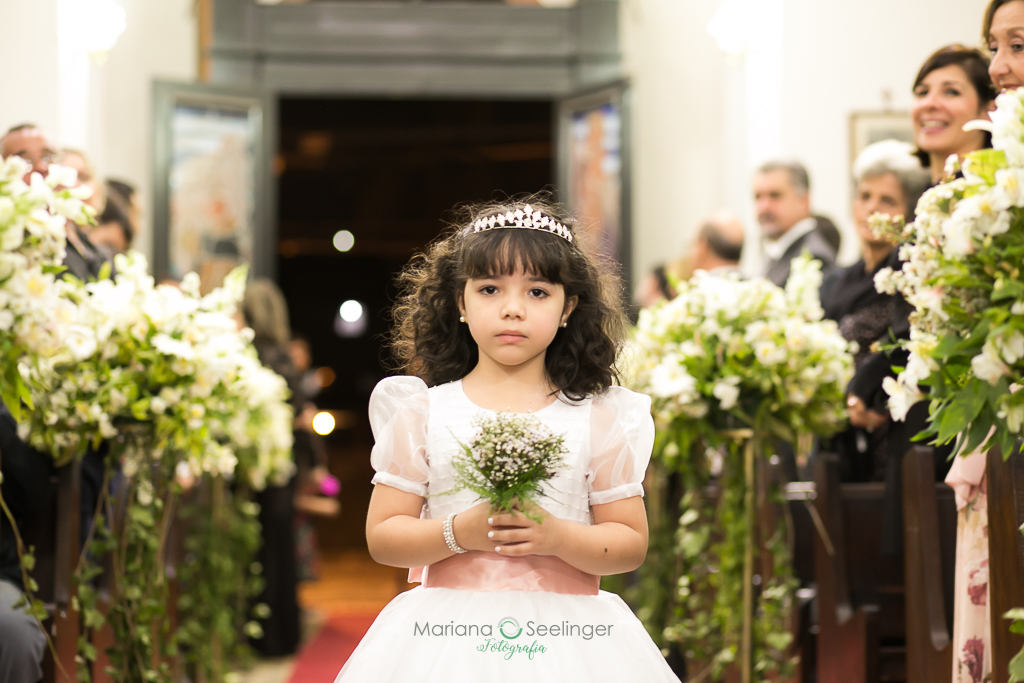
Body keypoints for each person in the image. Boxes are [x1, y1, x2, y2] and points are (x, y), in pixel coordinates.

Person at [334, 196, 679, 681]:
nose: (512, 309)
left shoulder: (599, 417)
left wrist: (557, 536)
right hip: (445, 640)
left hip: (571, 642)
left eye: (537, 292)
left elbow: (630, 542)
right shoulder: (423, 413)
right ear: (461, 302)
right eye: (490, 289)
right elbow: (384, 537)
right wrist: (459, 532)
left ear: (568, 307)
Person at [820, 140, 931, 482]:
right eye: (865, 196)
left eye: (887, 200)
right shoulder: (839, 280)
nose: (872, 208)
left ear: (909, 212)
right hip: (838, 438)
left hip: (889, 434)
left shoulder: (909, 276)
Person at [241, 278, 304, 657]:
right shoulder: (284, 358)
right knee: (281, 549)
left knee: (262, 553)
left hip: (259, 467)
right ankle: (285, 634)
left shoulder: (250, 358)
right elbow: (299, 413)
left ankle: (265, 638)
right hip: (282, 467)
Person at [910, 45, 997, 184]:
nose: (929, 103)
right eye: (922, 92)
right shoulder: (912, 191)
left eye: (951, 92)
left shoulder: (998, 191)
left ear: (989, 110)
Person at [753, 160, 836, 286]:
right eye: (758, 197)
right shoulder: (776, 253)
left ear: (804, 201)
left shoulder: (814, 258)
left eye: (775, 195)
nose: (764, 207)